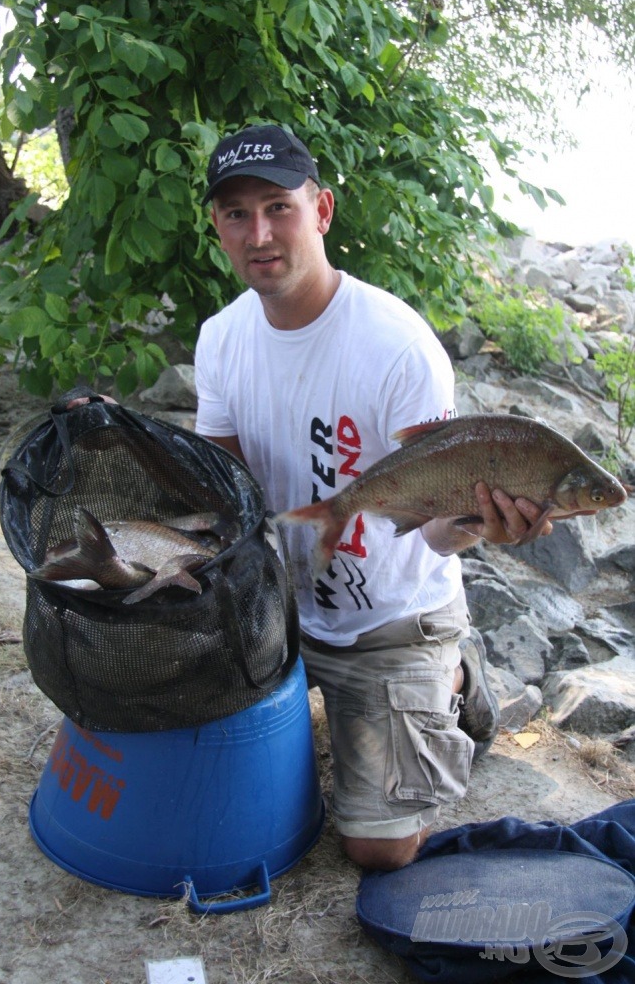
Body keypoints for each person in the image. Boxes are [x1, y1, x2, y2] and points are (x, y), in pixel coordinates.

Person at [193, 123, 552, 873]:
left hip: (391, 620)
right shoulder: (220, 340)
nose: (258, 233)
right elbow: (228, 493)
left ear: (321, 211)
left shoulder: (398, 346)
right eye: (236, 214)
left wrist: (478, 526)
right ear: (219, 228)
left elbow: (433, 536)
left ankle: (456, 674)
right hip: (282, 607)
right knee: (199, 784)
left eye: (277, 207)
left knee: (377, 853)